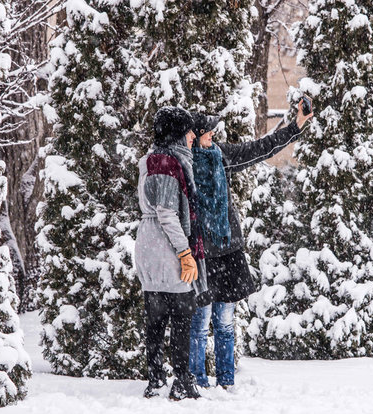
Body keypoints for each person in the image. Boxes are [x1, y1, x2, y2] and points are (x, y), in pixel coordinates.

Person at [188, 99, 314, 389]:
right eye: (208, 131)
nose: (213, 135)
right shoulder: (185, 163)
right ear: (196, 134)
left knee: (225, 321)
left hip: (228, 249)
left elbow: (261, 148)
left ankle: (227, 383)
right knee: (200, 323)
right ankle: (197, 382)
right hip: (203, 253)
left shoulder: (222, 156)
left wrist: (294, 127)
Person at [134, 106, 208, 400]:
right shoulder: (166, 163)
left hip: (151, 244)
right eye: (188, 130)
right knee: (181, 315)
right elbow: (166, 212)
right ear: (177, 134)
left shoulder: (152, 160)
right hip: (166, 246)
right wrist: (185, 252)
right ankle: (181, 382)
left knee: (155, 318)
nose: (193, 136)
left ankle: (155, 380)